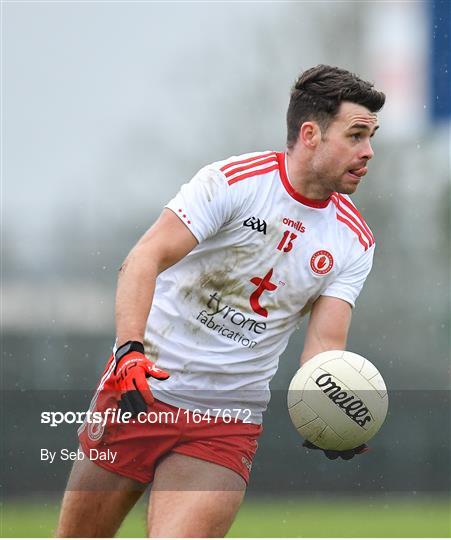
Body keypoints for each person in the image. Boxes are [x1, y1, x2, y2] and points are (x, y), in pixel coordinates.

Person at [56, 64, 385, 537]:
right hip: (139, 396)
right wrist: (129, 352)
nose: (368, 152)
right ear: (310, 133)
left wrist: (330, 410)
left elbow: (324, 347)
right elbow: (144, 259)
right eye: (356, 135)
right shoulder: (234, 182)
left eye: (371, 137)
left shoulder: (354, 240)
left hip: (226, 421)